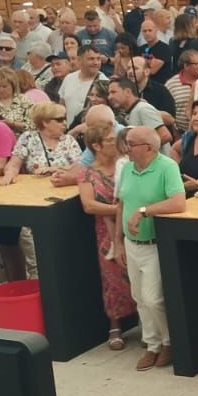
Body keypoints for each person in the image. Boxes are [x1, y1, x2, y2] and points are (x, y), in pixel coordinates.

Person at [115, 126, 186, 371]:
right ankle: (152, 344)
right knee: (138, 298)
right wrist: (117, 241)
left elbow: (179, 202)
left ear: (148, 147)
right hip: (130, 243)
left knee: (153, 298)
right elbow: (121, 204)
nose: (126, 149)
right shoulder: (126, 168)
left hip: (154, 244)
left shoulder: (167, 167)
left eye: (131, 144)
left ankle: (168, 342)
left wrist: (144, 211)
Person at [76, 121, 137, 352]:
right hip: (106, 233)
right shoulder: (87, 173)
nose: (117, 143)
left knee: (138, 273)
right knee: (112, 277)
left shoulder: (128, 165)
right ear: (96, 146)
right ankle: (115, 324)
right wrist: (121, 209)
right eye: (111, 140)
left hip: (133, 227)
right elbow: (89, 205)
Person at [0, 102, 81, 185]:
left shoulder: (69, 140)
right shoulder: (28, 138)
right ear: (45, 122)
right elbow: (13, 165)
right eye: (59, 120)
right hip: (34, 189)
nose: (64, 123)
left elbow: (80, 168)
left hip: (64, 187)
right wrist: (9, 174)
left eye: (65, 119)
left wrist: (55, 169)